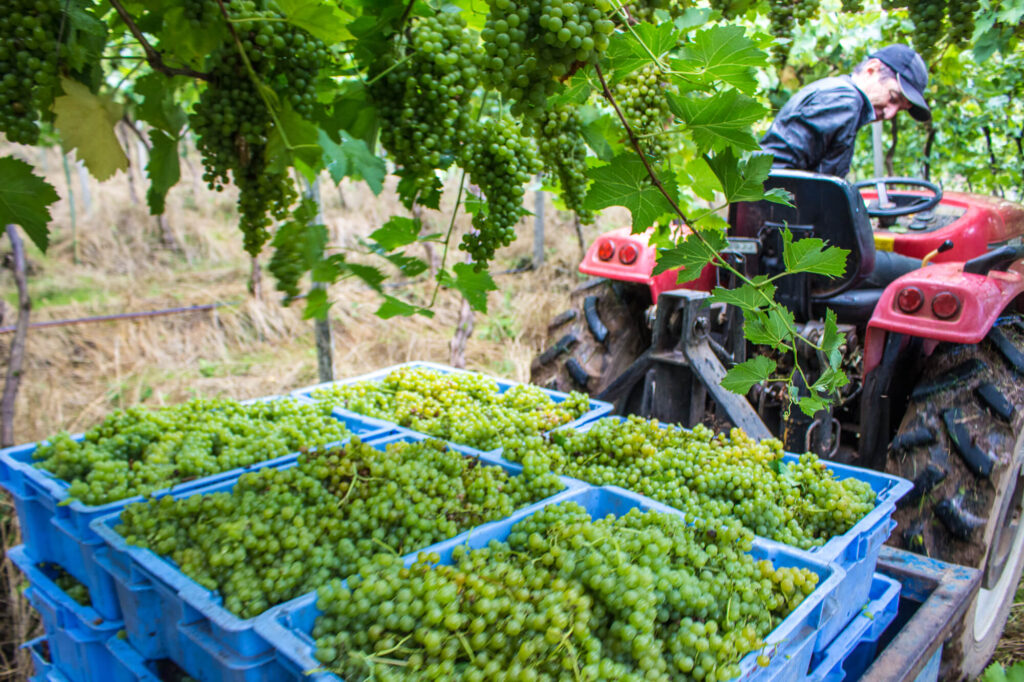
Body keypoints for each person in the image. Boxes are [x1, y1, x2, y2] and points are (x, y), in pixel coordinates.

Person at [760, 44, 931, 179]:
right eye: (893, 98)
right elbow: (775, 169)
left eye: (900, 109)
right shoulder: (844, 99)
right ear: (871, 69)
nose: (890, 114)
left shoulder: (839, 95)